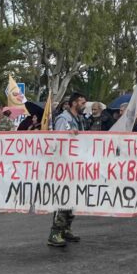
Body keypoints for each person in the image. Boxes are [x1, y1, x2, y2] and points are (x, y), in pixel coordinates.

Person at [47, 96, 86, 248]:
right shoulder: (63, 119)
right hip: (64, 165)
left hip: (75, 164)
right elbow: (58, 140)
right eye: (82, 102)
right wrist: (69, 134)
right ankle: (55, 232)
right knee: (63, 198)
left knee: (72, 198)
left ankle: (66, 228)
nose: (84, 105)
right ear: (74, 103)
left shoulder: (80, 119)